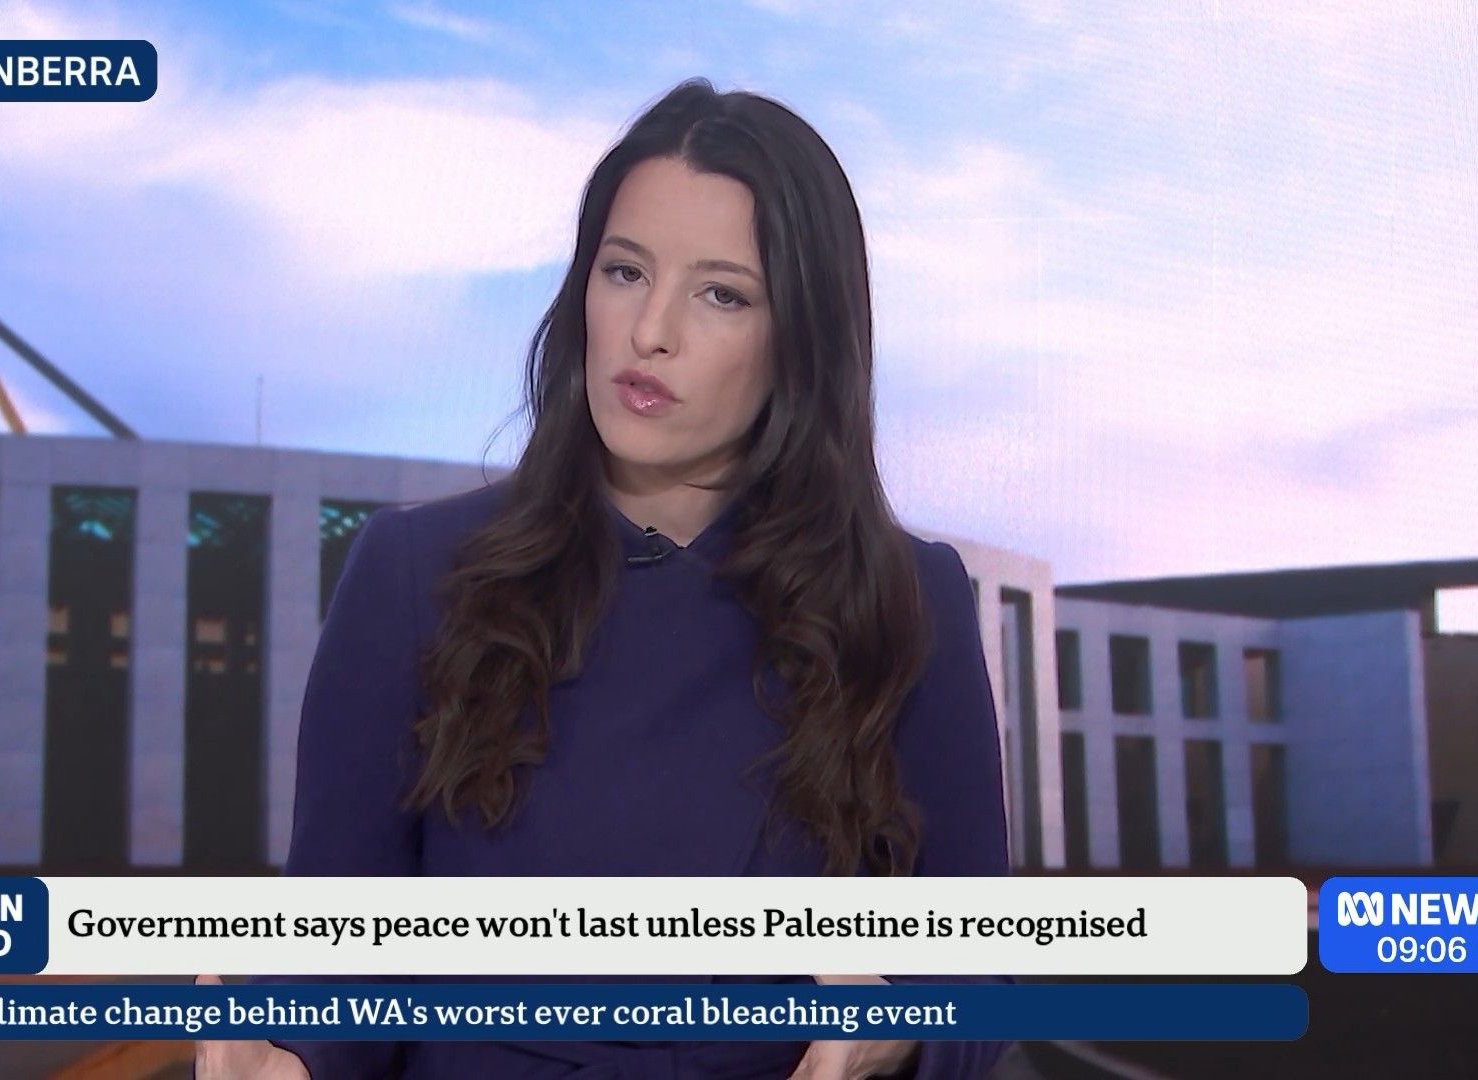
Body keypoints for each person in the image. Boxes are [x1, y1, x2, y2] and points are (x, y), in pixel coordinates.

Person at [195, 76, 1012, 1079]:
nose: (650, 329)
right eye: (625, 271)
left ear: (802, 338)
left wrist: (894, 1026)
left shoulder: (906, 600)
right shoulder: (414, 573)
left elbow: (981, 975)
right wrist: (290, 1055)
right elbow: (341, 950)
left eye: (721, 293)